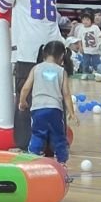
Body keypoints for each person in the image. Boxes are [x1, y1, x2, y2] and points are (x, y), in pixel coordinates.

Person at [0, 0, 62, 150]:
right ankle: (53, 144)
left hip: (29, 48)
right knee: (51, 96)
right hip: (52, 45)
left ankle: (25, 144)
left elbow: (2, 5)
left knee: (24, 95)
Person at [18, 40, 75, 171]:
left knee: (37, 134)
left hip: (38, 109)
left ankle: (32, 158)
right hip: (55, 109)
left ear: (44, 53)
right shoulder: (61, 71)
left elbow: (25, 88)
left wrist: (22, 101)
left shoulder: (36, 68)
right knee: (59, 136)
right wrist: (72, 112)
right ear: (62, 56)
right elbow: (66, 94)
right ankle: (62, 162)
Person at [76, 11, 101, 79]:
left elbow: (100, 36)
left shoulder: (95, 27)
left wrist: (100, 45)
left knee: (96, 63)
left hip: (95, 50)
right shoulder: (81, 28)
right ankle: (85, 73)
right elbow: (79, 39)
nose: (85, 21)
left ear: (91, 20)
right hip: (86, 50)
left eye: (87, 20)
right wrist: (80, 47)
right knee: (85, 63)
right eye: (83, 19)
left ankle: (97, 73)